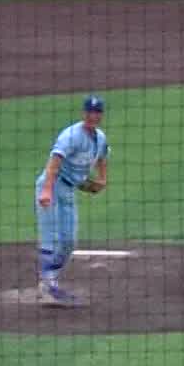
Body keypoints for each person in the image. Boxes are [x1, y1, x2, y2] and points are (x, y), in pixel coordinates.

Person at [33, 95, 111, 307]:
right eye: (89, 112)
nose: (93, 116)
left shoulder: (100, 138)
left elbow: (103, 156)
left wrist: (102, 180)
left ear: (101, 115)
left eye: (97, 112)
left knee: (68, 241)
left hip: (68, 190)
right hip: (52, 186)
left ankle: (50, 278)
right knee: (50, 237)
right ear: (83, 113)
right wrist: (46, 190)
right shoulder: (71, 135)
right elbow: (54, 161)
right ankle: (47, 286)